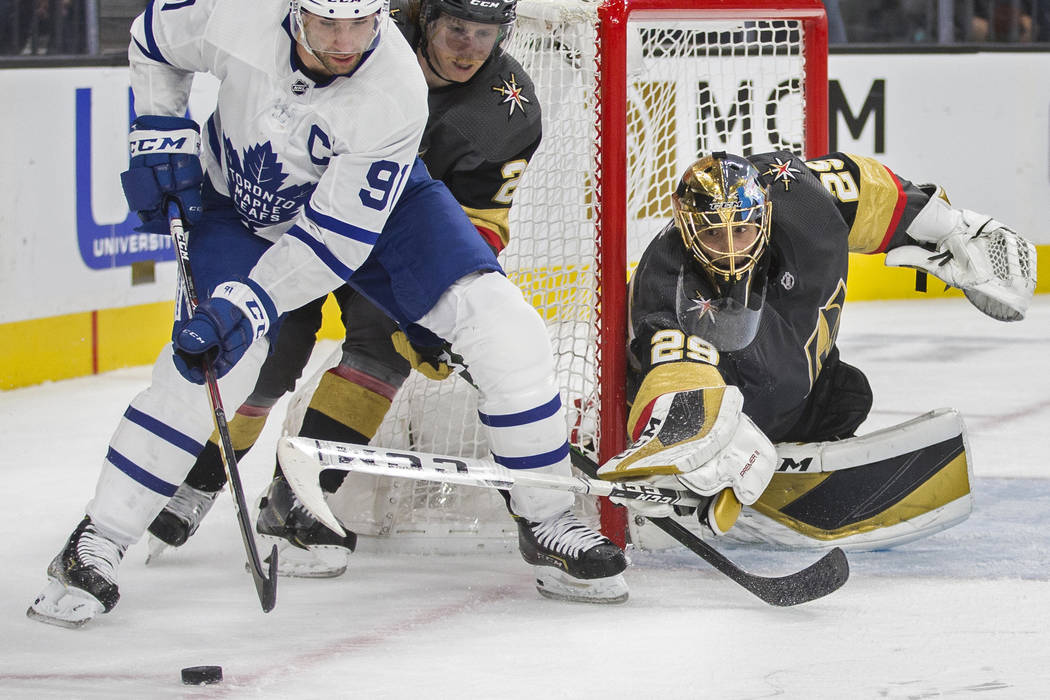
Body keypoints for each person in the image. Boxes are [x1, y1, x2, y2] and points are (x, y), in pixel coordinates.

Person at [28, 0, 625, 629]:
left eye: (360, 24)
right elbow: (152, 41)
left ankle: (548, 515)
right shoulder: (232, 15)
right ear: (292, 12)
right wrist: (158, 125)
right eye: (326, 24)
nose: (345, 43)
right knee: (213, 365)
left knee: (505, 329)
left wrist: (253, 303)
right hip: (238, 209)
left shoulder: (394, 87)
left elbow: (329, 244)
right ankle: (99, 538)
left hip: (374, 211)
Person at [146, 0, 543, 579]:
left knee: (380, 355)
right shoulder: (359, 40)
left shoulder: (507, 107)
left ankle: (296, 498)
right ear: (424, 17)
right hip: (292, 222)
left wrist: (432, 313)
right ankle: (198, 479)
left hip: (391, 242)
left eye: (486, 33)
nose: (470, 47)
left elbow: (476, 218)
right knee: (267, 359)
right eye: (458, 28)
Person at [596, 151, 1037, 539]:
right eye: (713, 234)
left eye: (742, 231)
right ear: (687, 226)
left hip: (797, 385)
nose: (730, 250)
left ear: (764, 213)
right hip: (739, 398)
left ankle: (774, 450)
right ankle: (717, 464)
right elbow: (673, 371)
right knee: (711, 417)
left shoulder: (799, 195)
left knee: (847, 395)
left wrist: (948, 225)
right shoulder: (668, 284)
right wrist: (694, 441)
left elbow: (863, 185)